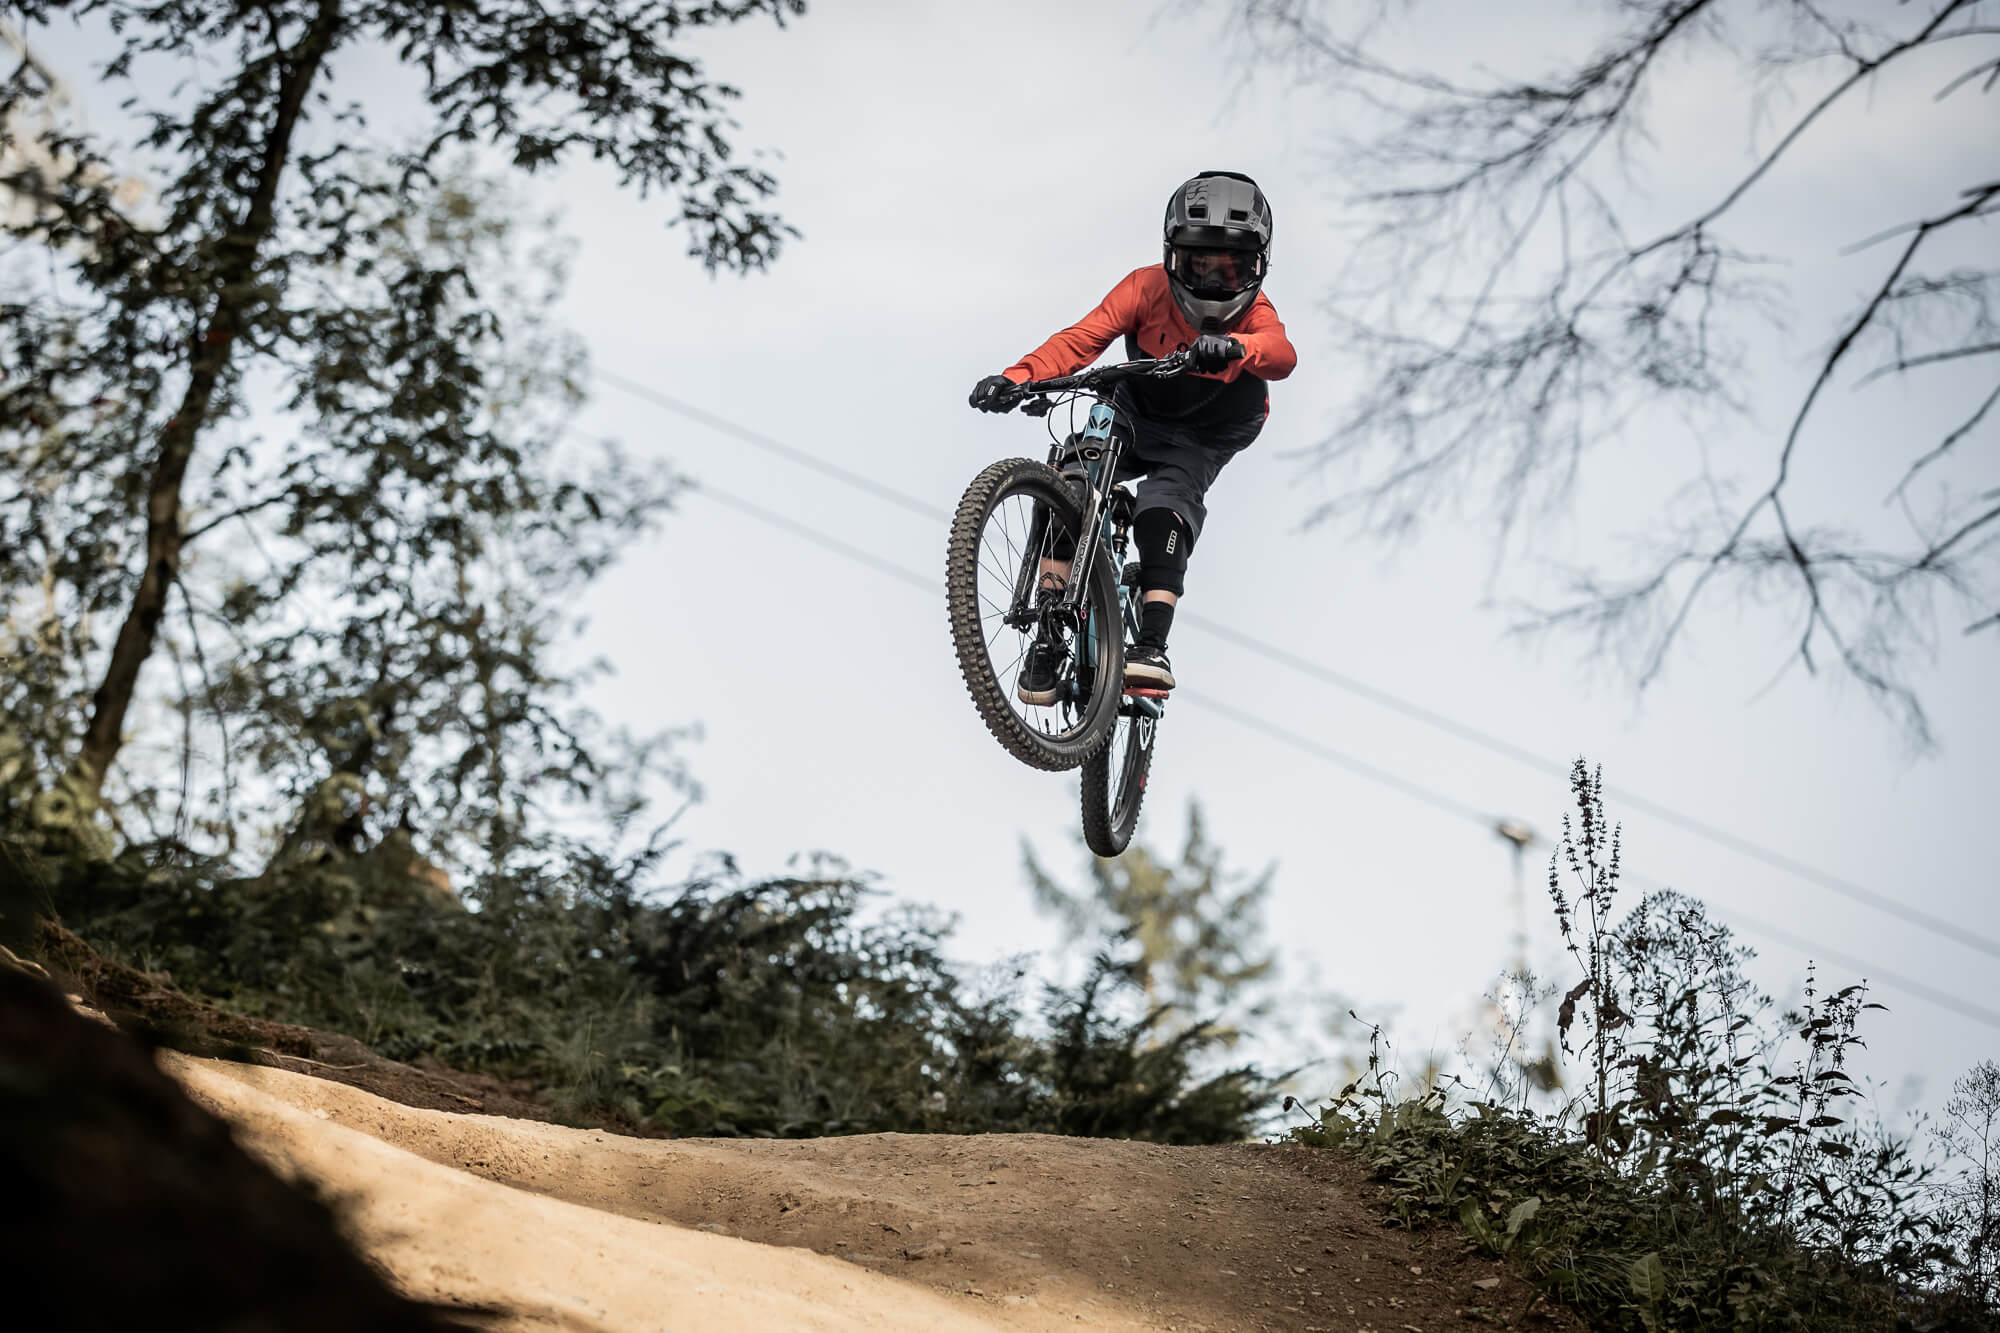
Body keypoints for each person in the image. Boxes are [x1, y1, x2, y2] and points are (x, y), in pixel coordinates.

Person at [968, 170, 1297, 700]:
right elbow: (1083, 338)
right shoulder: (1144, 287)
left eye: (1231, 267)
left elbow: (1282, 354)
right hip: (1137, 404)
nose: (1213, 281)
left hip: (1212, 429)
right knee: (1071, 480)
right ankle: (1051, 633)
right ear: (1172, 258)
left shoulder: (1257, 314)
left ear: (1258, 267)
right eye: (1198, 263)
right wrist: (1019, 377)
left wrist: (1238, 348)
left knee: (1164, 503)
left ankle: (1150, 646)